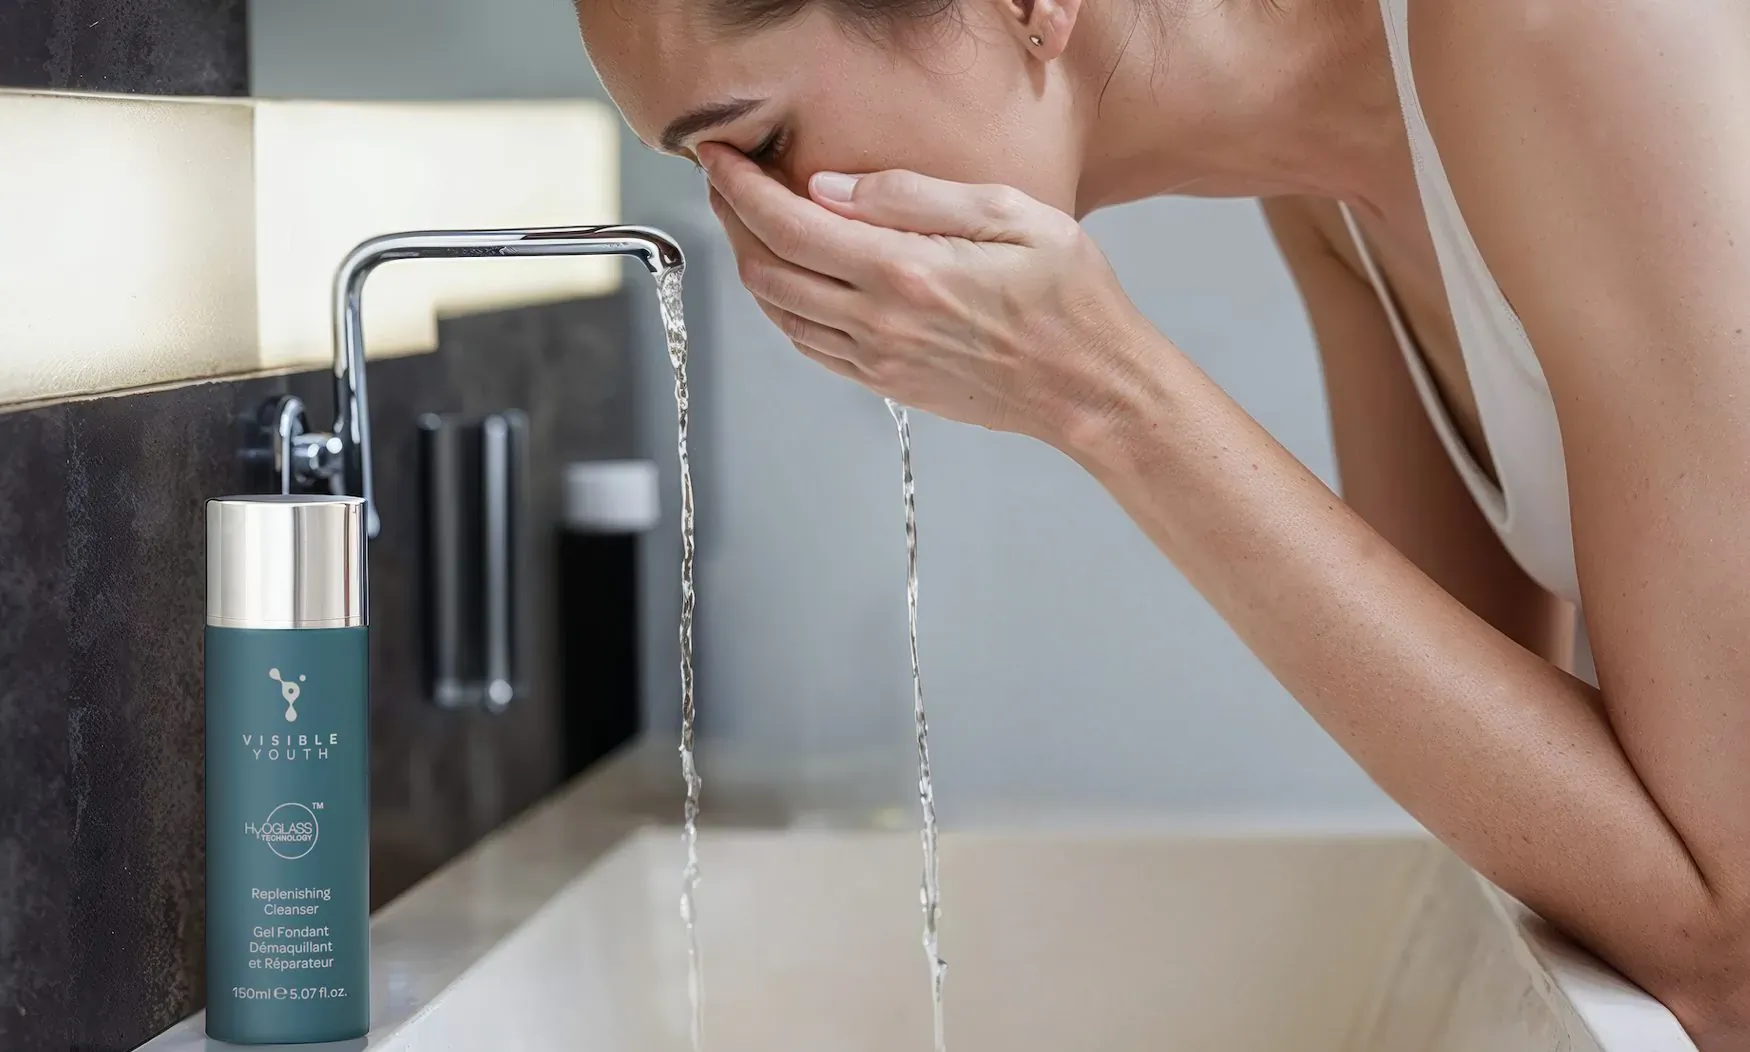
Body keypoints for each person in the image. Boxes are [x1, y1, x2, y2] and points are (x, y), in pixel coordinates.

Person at [575, 0, 1750, 1042]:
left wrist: (1110, 394)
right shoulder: (1328, 190)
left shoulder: (1571, 25)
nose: (760, 234)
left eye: (764, 144)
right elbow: (1518, 813)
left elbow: (1730, 948)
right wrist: (1101, 395)